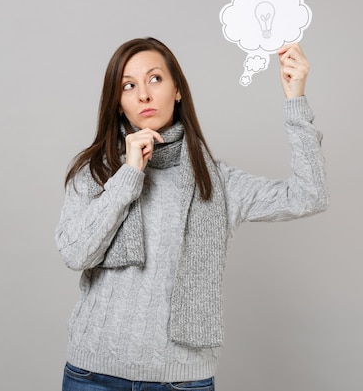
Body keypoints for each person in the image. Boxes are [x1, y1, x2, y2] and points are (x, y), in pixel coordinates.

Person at [55, 37, 328, 391]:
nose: (143, 95)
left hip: (181, 381)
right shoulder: (96, 172)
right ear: (119, 104)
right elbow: (75, 253)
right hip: (93, 376)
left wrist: (296, 102)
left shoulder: (216, 183)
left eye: (155, 79)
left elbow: (309, 196)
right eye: (128, 86)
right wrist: (129, 175)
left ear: (177, 89)